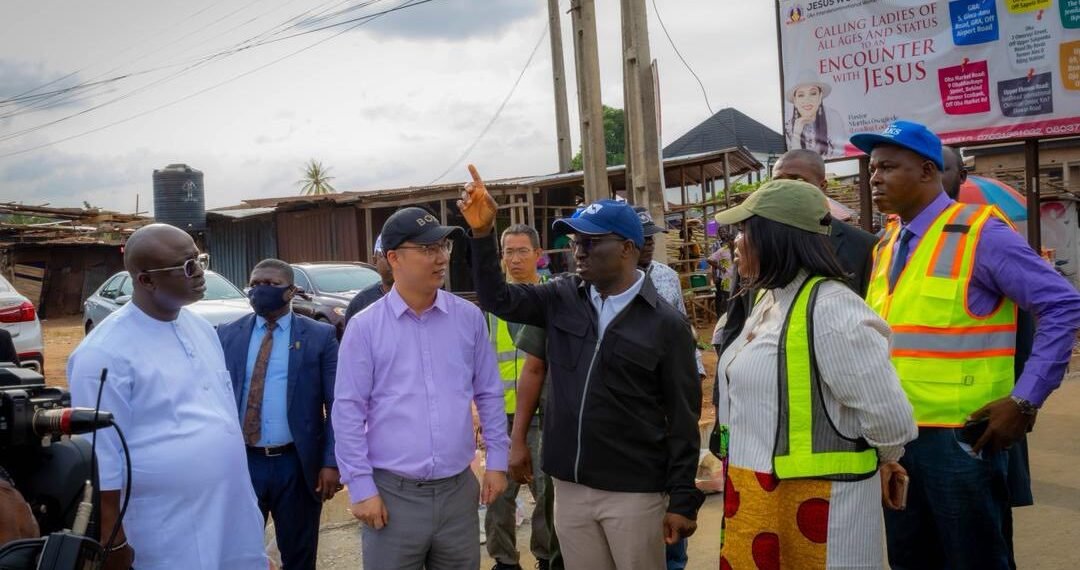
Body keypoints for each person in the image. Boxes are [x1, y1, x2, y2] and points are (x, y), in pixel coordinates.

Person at [850, 120, 1080, 569]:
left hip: (960, 441)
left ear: (926, 171)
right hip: (897, 439)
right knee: (911, 560)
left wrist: (1026, 399)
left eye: (888, 167)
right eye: (872, 168)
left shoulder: (980, 233)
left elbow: (1062, 305)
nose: (874, 178)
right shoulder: (888, 243)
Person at [460, 165, 704, 570]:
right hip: (570, 490)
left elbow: (682, 418)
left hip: (634, 494)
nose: (578, 251)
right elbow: (497, 299)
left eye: (591, 243)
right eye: (575, 242)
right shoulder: (561, 298)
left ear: (627, 248)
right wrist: (484, 234)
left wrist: (682, 499)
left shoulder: (665, 325)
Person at [711, 179, 917, 568]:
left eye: (744, 231)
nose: (735, 243)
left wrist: (888, 456)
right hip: (757, 494)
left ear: (775, 238)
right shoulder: (769, 300)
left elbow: (891, 420)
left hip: (821, 508)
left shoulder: (832, 310)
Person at [67, 223, 267, 570]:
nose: (200, 273)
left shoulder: (200, 328)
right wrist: (113, 542)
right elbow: (102, 457)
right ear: (146, 280)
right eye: (188, 266)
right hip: (165, 528)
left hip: (230, 513)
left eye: (200, 259)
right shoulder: (102, 354)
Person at [332, 206, 509, 570]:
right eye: (427, 249)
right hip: (393, 495)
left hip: (458, 492)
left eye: (444, 247)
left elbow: (489, 393)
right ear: (393, 258)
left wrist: (497, 462)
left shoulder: (468, 318)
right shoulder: (365, 327)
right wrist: (361, 487)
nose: (441, 257)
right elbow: (348, 411)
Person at [217, 258, 341, 570]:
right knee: (236, 554)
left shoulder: (319, 336)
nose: (260, 290)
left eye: (271, 284)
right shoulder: (227, 334)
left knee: (298, 556)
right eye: (255, 284)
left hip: (296, 466)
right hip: (242, 462)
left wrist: (330, 462)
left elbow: (338, 403)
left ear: (291, 291)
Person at [486, 224, 551, 570]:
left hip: (541, 416)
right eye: (507, 252)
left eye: (522, 250)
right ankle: (504, 560)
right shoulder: (494, 308)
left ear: (538, 255)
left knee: (545, 493)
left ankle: (545, 556)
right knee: (498, 495)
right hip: (500, 417)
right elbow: (480, 364)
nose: (513, 259)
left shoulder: (552, 300)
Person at [634, 206, 706, 381]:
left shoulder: (668, 276)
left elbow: (682, 324)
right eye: (644, 238)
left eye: (651, 237)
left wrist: (697, 367)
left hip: (669, 370)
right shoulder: (616, 282)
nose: (650, 242)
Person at [785, 76, 849, 159]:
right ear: (795, 101)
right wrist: (797, 132)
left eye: (813, 93)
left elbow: (841, 155)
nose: (807, 100)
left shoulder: (833, 118)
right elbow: (794, 163)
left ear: (820, 97)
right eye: (801, 95)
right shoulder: (788, 128)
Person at [344, 234, 393, 323]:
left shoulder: (421, 299)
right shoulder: (360, 303)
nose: (392, 262)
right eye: (385, 256)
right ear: (375, 261)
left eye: (397, 256)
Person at [706, 231, 735, 317]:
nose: (733, 242)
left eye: (734, 240)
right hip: (726, 280)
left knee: (735, 301)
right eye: (731, 240)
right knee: (726, 301)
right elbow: (709, 259)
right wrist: (720, 268)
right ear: (728, 241)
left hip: (737, 280)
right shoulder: (722, 251)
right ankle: (723, 320)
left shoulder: (739, 249)